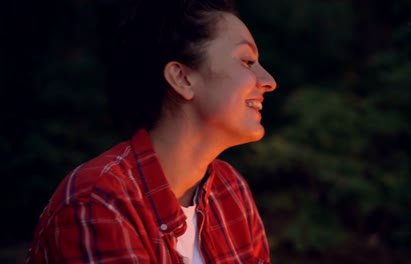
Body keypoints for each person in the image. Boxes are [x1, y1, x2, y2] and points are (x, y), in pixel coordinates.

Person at [27, 0, 277, 263]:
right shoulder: (99, 200)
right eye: (247, 61)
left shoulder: (230, 190)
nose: (269, 81)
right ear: (181, 78)